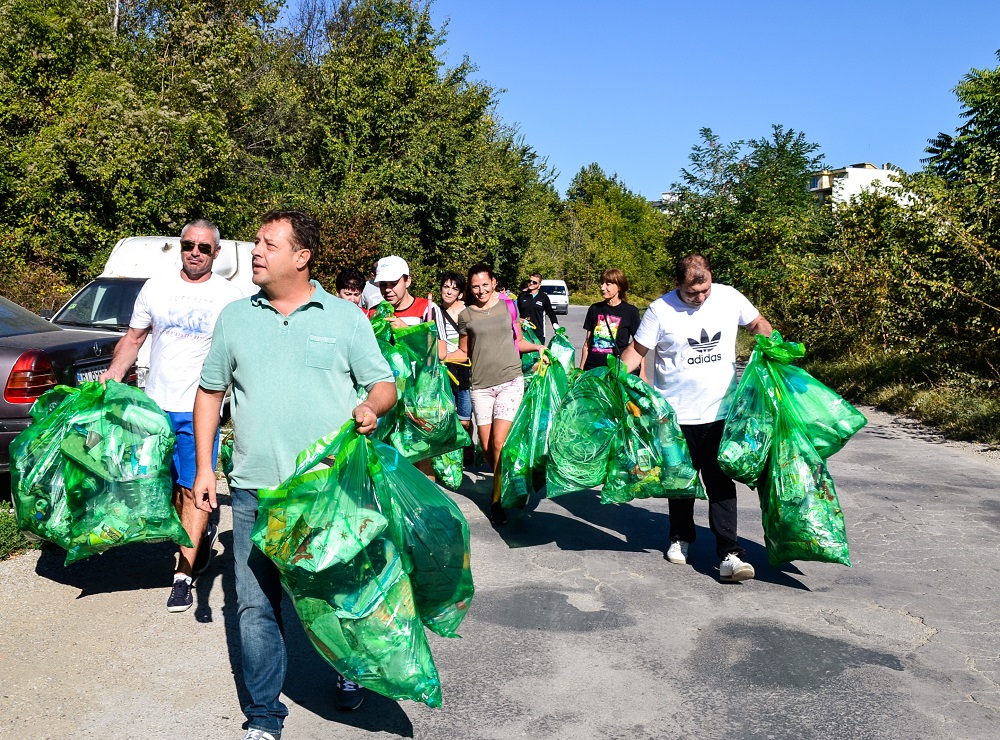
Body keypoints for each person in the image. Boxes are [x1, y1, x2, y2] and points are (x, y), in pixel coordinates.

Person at [191, 210, 397, 738]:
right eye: (257, 242)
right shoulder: (236, 318)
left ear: (302, 258)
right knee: (256, 605)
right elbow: (211, 393)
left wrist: (372, 408)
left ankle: (350, 669)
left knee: (336, 591)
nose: (255, 252)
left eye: (268, 244)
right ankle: (264, 716)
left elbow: (383, 385)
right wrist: (205, 469)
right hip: (254, 488)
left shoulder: (345, 318)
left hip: (325, 488)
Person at [98, 219, 244, 613]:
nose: (195, 252)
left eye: (203, 247)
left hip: (201, 409)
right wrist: (113, 374)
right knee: (164, 488)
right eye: (188, 245)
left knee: (196, 486)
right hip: (154, 407)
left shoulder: (229, 298)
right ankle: (200, 531)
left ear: (216, 253)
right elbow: (134, 339)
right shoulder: (156, 287)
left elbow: (239, 356)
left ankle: (182, 577)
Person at [620, 254, 772, 583]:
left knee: (720, 481)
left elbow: (758, 323)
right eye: (692, 293)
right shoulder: (660, 310)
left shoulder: (729, 297)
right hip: (675, 415)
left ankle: (729, 553)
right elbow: (636, 352)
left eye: (705, 290)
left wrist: (770, 343)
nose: (700, 298)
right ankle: (681, 537)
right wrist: (612, 377)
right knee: (681, 480)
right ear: (677, 285)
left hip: (721, 412)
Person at [458, 263, 545, 525]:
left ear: (494, 282)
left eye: (485, 284)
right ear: (470, 288)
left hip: (509, 380)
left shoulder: (509, 305)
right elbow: (464, 352)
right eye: (475, 286)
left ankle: (499, 500)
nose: (481, 290)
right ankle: (509, 478)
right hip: (480, 387)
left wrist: (538, 347)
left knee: (498, 442)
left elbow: (517, 341)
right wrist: (436, 353)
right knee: (486, 448)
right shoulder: (466, 315)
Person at [579, 268, 642, 373]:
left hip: (616, 371)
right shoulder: (594, 309)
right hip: (592, 369)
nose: (602, 287)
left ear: (620, 287)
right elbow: (587, 344)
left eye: (608, 284)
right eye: (602, 283)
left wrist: (643, 372)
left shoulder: (630, 312)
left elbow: (639, 346)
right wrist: (581, 371)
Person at [437, 271, 472, 435]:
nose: (449, 292)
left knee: (465, 419)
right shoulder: (434, 312)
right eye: (446, 287)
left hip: (462, 371)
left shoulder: (465, 313)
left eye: (454, 289)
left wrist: (446, 357)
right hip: (443, 371)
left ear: (460, 294)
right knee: (446, 416)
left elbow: (467, 350)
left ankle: (468, 451)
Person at [516, 271, 560, 344]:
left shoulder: (543, 297)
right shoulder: (522, 296)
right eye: (530, 281)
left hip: (538, 333)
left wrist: (555, 325)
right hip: (524, 332)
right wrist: (519, 320)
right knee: (524, 355)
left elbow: (551, 313)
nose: (531, 283)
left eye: (534, 282)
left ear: (539, 285)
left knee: (537, 354)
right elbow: (516, 312)